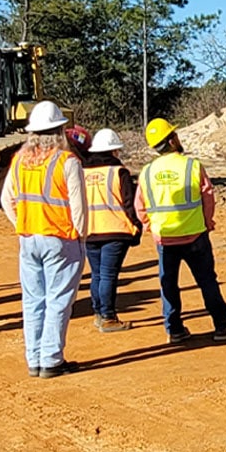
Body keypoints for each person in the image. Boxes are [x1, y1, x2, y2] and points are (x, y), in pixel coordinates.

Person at [135, 118, 226, 344]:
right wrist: (207, 223)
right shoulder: (191, 166)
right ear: (172, 140)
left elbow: (140, 206)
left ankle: (174, 329)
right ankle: (222, 326)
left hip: (165, 239)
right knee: (207, 281)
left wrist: (151, 227)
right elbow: (208, 198)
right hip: (195, 235)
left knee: (169, 284)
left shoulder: (146, 172)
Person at [0, 101, 87, 379]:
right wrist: (80, 236)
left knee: (33, 300)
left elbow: (6, 199)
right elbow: (78, 207)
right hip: (60, 237)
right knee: (58, 300)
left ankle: (34, 359)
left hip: (28, 238)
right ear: (60, 130)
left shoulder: (20, 160)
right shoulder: (67, 161)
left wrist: (21, 223)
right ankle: (51, 359)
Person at [80, 128, 142, 332]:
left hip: (89, 231)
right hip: (115, 230)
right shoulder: (119, 171)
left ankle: (99, 313)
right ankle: (108, 317)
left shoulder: (83, 172)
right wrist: (136, 226)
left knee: (97, 274)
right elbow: (128, 203)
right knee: (108, 276)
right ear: (114, 150)